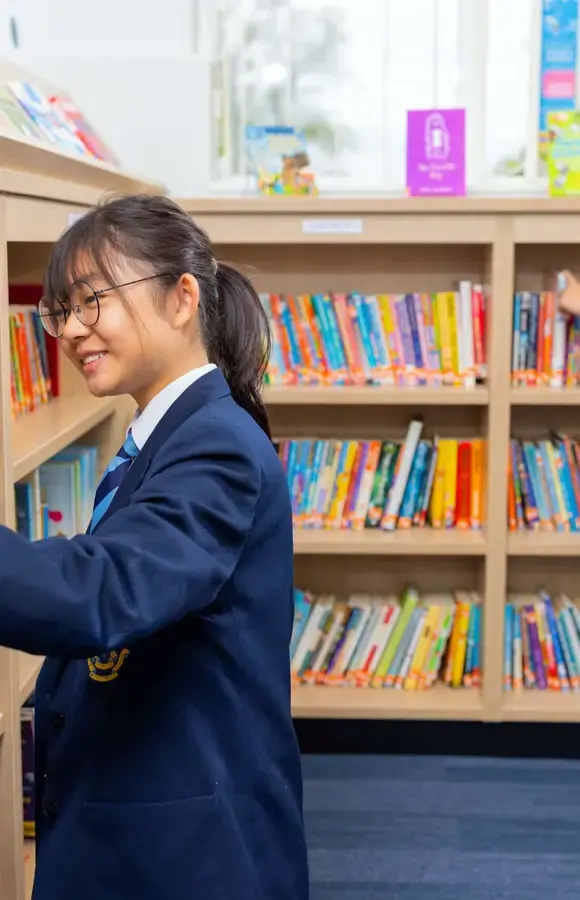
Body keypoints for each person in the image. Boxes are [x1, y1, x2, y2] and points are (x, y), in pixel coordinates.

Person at [0, 194, 309, 900]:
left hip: (188, 854)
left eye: (92, 303)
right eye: (61, 311)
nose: (73, 331)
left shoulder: (218, 448)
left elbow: (101, 591)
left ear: (181, 299)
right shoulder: (159, 439)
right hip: (135, 822)